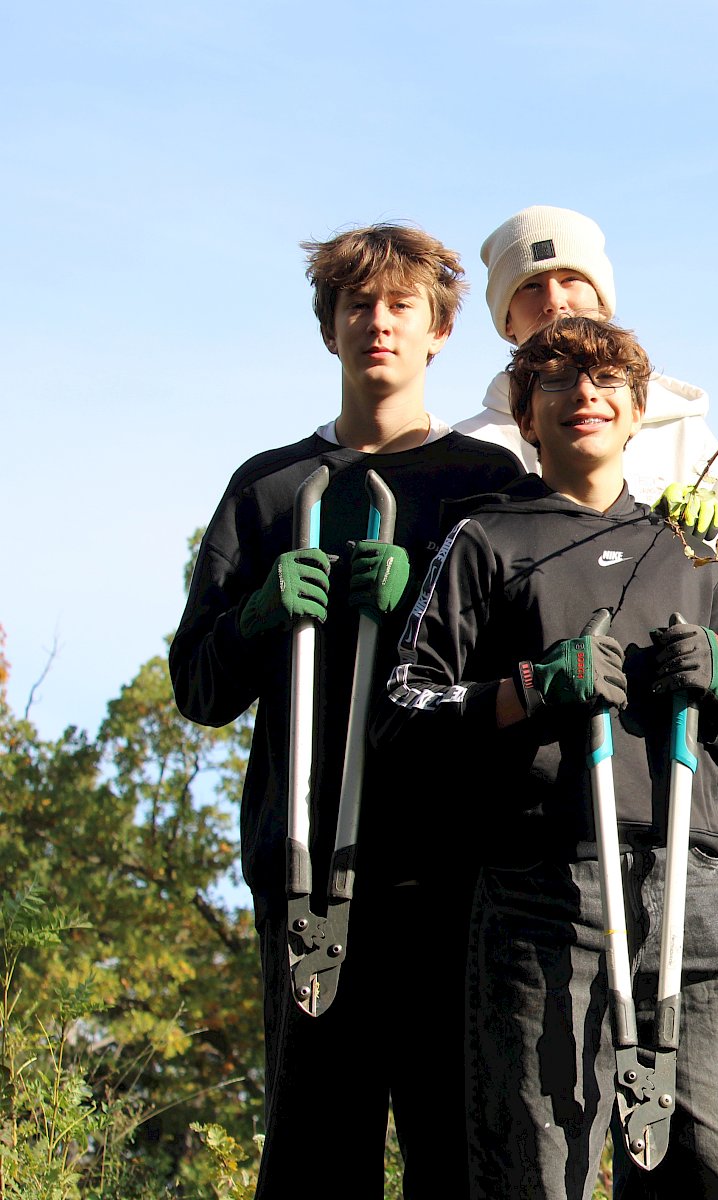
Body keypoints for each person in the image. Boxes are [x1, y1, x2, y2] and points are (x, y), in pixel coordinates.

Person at [170, 224, 524, 1198]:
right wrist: (254, 615)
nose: (379, 323)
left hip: (450, 876)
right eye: (358, 305)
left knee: (458, 1154)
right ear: (328, 329)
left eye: (402, 305)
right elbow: (199, 685)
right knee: (314, 1158)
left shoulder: (489, 489)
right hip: (305, 876)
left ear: (440, 331)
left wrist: (428, 602)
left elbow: (528, 678)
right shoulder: (269, 489)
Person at [379, 315, 718, 1199]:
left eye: (606, 380)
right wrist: (529, 691)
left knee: (716, 1177)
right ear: (526, 416)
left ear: (638, 411)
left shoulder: (691, 554)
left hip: (689, 887)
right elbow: (403, 706)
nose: (585, 393)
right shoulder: (486, 541)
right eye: (556, 379)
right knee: (537, 1176)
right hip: (539, 888)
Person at [453, 204, 718, 609]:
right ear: (506, 320)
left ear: (603, 301)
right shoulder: (473, 446)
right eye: (531, 286)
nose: (554, 301)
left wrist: (688, 554)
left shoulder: (682, 431)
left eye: (571, 279)